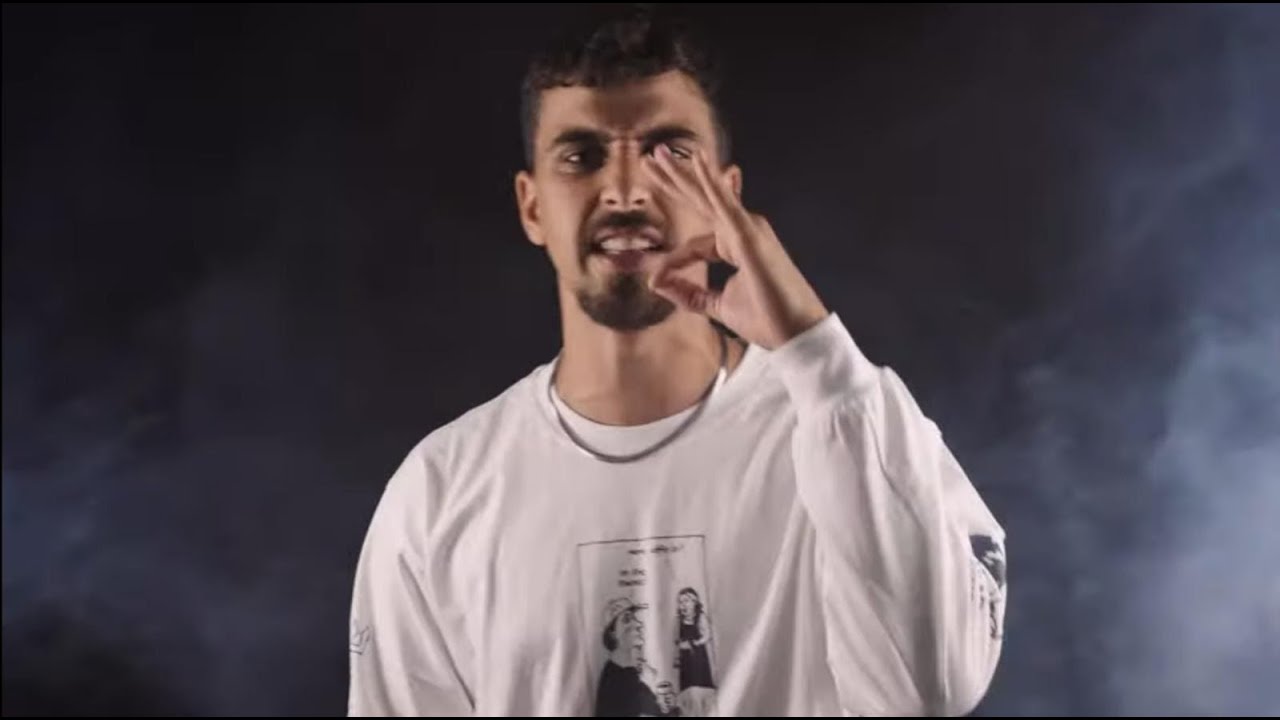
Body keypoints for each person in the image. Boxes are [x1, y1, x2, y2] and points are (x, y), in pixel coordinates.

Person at [347, 8, 1007, 716]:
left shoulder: (852, 432)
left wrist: (814, 351)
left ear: (727, 196)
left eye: (669, 153)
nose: (626, 190)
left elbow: (933, 692)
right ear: (531, 207)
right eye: (581, 156)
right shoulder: (439, 492)